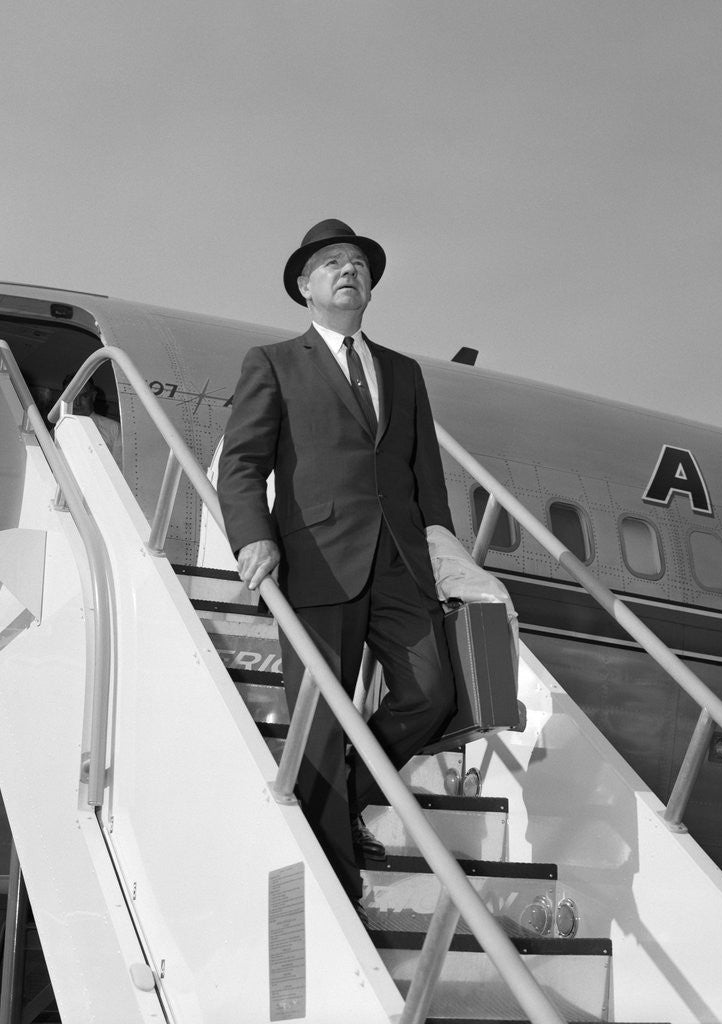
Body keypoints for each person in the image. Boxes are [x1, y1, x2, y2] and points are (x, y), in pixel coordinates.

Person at [217, 219, 456, 916]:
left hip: (400, 564)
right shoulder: (272, 362)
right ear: (304, 286)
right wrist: (251, 537)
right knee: (319, 717)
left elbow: (425, 478)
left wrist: (442, 550)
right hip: (316, 560)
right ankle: (336, 885)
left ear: (370, 285)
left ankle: (343, 796)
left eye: (356, 262)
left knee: (431, 694)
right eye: (330, 263)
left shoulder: (403, 372)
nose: (347, 271)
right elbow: (241, 465)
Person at [63, 374, 122, 465]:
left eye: (84, 396)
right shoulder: (57, 431)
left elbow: (121, 470)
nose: (77, 403)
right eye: (72, 397)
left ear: (93, 396)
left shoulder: (114, 428)